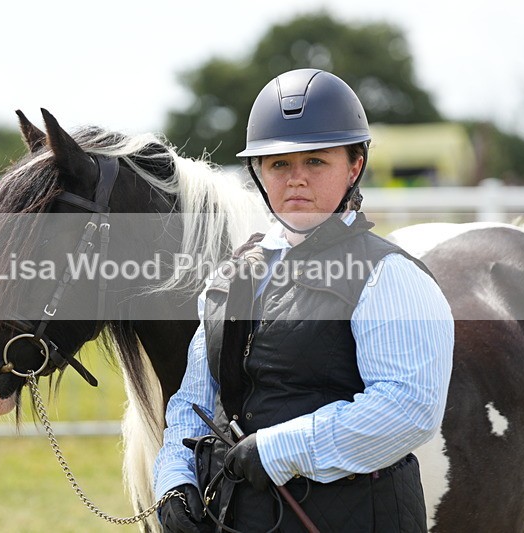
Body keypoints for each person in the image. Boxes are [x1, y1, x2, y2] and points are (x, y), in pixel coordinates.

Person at [153, 68, 454, 532]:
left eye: (316, 162)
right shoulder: (230, 278)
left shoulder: (389, 276)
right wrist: (173, 480)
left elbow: (407, 408)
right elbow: (193, 401)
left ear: (354, 166)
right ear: (259, 173)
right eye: (279, 165)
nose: (296, 180)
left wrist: (277, 449)